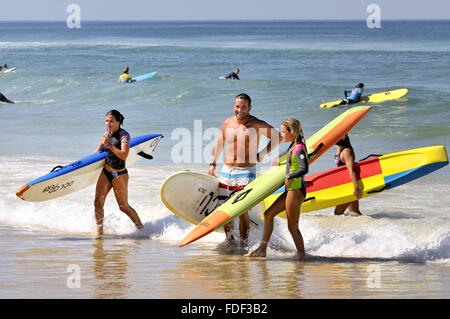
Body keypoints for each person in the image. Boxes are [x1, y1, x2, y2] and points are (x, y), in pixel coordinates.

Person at [208, 93, 280, 247]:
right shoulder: (227, 123)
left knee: (242, 210)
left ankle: (243, 244)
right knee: (224, 209)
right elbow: (219, 143)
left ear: (250, 108)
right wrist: (213, 163)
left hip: (246, 171)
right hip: (226, 170)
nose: (239, 110)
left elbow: (277, 136)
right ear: (234, 106)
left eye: (243, 107)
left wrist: (262, 153)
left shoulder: (256, 124)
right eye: (237, 106)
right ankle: (229, 241)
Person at [245, 118, 309, 259]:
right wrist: (275, 161)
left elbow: (305, 168)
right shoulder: (293, 145)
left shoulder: (299, 148)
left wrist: (290, 175)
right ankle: (262, 249)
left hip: (296, 190)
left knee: (293, 227)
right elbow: (285, 156)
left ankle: (302, 256)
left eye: (283, 132)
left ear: (291, 132)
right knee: (268, 215)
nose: (281, 135)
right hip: (290, 190)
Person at [93, 110, 143, 236]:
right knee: (97, 203)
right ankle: (100, 233)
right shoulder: (106, 134)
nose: (108, 124)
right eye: (106, 121)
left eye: (111, 121)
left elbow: (124, 155)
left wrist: (109, 145)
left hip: (119, 174)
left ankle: (142, 230)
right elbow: (96, 153)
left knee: (123, 206)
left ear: (118, 122)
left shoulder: (124, 135)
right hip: (106, 171)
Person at [333, 134, 363, 216]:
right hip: (344, 183)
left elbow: (351, 170)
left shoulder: (346, 152)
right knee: (355, 212)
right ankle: (368, 226)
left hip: (349, 184)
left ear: (343, 137)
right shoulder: (338, 147)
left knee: (337, 212)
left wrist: (356, 187)